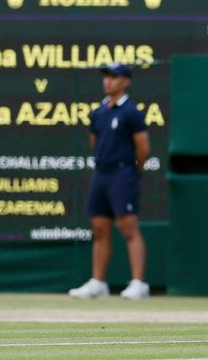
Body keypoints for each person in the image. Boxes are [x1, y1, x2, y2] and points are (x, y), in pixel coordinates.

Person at [69, 63, 151, 300]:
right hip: (100, 174)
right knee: (99, 228)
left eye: (114, 77)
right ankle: (98, 282)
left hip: (123, 174)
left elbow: (143, 149)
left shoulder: (132, 112)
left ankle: (138, 284)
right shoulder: (98, 112)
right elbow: (95, 143)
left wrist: (132, 172)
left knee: (128, 228)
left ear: (126, 81)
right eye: (106, 76)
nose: (108, 81)